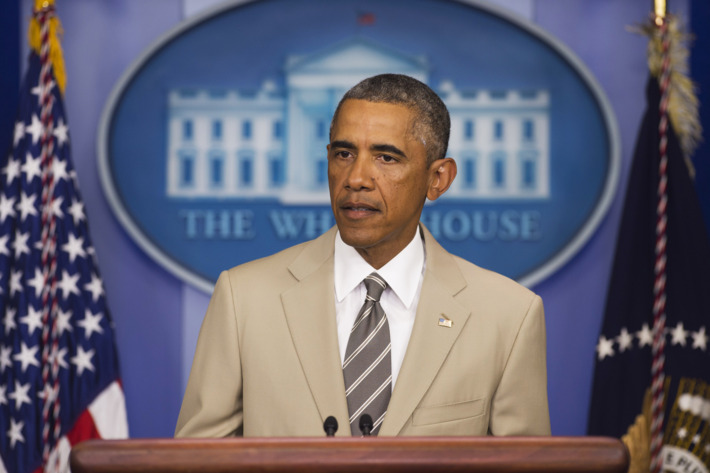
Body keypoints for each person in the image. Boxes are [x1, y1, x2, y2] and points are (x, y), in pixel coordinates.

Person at [175, 74, 550, 437]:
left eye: (386, 158)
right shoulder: (243, 298)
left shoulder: (508, 316)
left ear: (438, 178)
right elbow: (198, 463)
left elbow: (525, 466)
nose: (355, 178)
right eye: (344, 154)